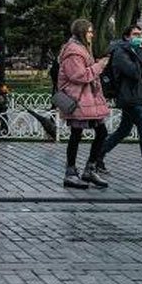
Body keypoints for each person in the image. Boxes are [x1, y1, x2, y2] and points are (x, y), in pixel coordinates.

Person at [98, 25, 142, 181]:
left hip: (135, 97)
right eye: (135, 34)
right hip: (128, 98)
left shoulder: (133, 53)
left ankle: (97, 157)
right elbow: (134, 74)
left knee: (123, 131)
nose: (139, 37)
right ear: (127, 37)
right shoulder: (120, 53)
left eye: (140, 34)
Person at [56, 19, 110, 189]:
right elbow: (79, 76)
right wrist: (99, 66)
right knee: (77, 134)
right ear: (81, 32)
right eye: (89, 31)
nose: (92, 34)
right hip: (79, 100)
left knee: (99, 132)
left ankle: (88, 169)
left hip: (87, 100)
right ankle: (71, 173)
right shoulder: (74, 52)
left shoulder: (81, 49)